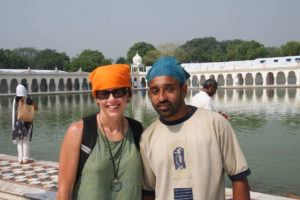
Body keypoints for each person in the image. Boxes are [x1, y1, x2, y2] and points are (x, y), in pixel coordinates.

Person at [140, 57, 251, 200]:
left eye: (170, 89)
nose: (161, 98)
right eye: (155, 91)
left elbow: (238, 177)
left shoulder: (215, 124)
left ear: (184, 90)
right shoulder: (148, 138)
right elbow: (149, 191)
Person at [57, 64, 143, 200]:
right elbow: (64, 189)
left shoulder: (139, 132)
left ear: (128, 94)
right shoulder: (79, 132)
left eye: (118, 92)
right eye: (103, 94)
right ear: (96, 98)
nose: (111, 99)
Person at [12, 83, 38, 164]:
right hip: (26, 123)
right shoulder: (27, 99)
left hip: (17, 123)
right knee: (25, 140)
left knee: (19, 140)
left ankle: (20, 159)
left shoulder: (15, 99)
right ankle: (26, 159)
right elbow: (36, 107)